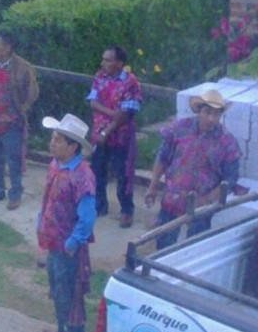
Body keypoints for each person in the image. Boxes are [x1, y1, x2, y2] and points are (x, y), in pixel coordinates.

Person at [145, 89, 242, 250]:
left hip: (201, 203)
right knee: (164, 245)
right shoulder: (179, 128)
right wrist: (153, 186)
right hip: (173, 197)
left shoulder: (227, 141)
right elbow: (162, 158)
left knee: (194, 247)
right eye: (207, 112)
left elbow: (231, 178)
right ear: (199, 111)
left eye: (216, 114)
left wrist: (209, 198)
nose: (211, 118)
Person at [38, 114, 96, 332]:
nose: (53, 144)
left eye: (59, 140)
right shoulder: (55, 166)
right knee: (57, 288)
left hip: (68, 246)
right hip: (52, 241)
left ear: (73, 146)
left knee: (70, 294)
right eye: (53, 138)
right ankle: (63, 330)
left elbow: (87, 216)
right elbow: (48, 199)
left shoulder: (82, 175)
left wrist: (73, 243)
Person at [0, 31, 39, 210]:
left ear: (7, 48)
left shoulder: (23, 67)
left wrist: (21, 109)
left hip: (12, 121)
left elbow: (33, 93)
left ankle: (15, 194)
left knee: (14, 160)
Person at [87, 46, 141, 228]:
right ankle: (99, 205)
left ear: (119, 63)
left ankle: (126, 210)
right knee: (97, 171)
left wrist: (107, 129)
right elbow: (93, 102)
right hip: (99, 134)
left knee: (123, 175)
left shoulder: (130, 82)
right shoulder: (99, 77)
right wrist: (111, 113)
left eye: (107, 60)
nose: (103, 63)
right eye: (103, 59)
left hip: (120, 136)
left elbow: (126, 114)